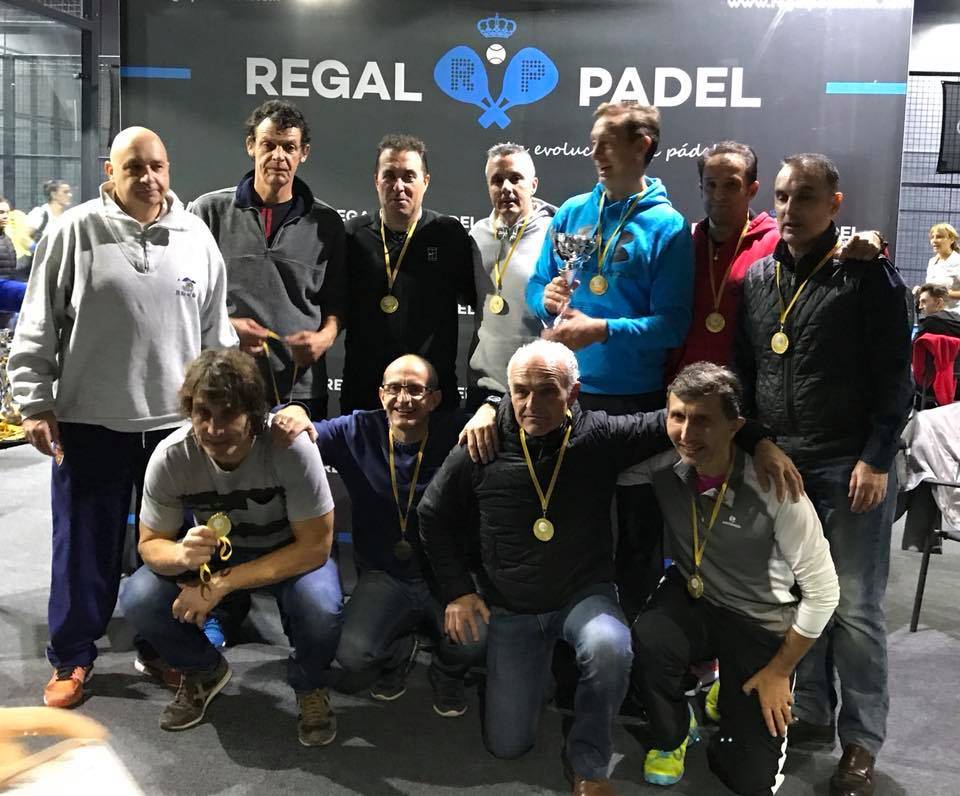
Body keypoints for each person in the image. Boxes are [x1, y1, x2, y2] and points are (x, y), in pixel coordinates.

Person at [418, 339, 798, 796]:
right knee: (507, 746)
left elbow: (694, 418)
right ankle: (533, 679)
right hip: (512, 606)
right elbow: (432, 514)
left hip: (583, 596)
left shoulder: (598, 435)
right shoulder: (481, 443)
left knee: (610, 647)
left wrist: (759, 442)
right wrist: (458, 590)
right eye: (520, 391)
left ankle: (590, 765)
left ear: (573, 393)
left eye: (547, 391)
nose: (531, 404)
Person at [7, 127, 238, 709]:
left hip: (177, 431)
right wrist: (34, 401)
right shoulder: (74, 231)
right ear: (110, 172)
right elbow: (37, 323)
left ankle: (163, 648)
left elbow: (217, 334)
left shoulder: (195, 237)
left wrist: (220, 408)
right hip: (91, 422)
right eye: (134, 167)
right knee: (83, 548)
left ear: (169, 168)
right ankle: (72, 656)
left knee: (173, 550)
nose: (148, 177)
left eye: (157, 165)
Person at [734, 153, 912, 796]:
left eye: (805, 196)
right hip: (782, 463)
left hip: (850, 462)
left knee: (857, 606)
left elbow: (897, 377)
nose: (790, 209)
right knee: (796, 594)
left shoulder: (868, 275)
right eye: (782, 196)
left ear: (835, 204)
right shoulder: (757, 278)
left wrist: (877, 457)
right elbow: (744, 375)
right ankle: (811, 709)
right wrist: (756, 441)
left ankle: (862, 740)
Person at [632, 362, 839, 792]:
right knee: (650, 636)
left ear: (736, 426)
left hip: (760, 620)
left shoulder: (775, 486)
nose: (686, 432)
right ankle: (673, 734)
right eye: (677, 416)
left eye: (703, 420)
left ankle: (729, 690)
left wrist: (780, 670)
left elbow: (824, 593)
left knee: (750, 780)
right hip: (695, 600)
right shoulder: (661, 467)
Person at [119, 349, 341, 745]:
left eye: (228, 415)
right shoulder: (172, 456)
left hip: (289, 553)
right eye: (202, 413)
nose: (213, 428)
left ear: (252, 413)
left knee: (319, 606)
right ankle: (204, 671)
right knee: (139, 595)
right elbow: (151, 545)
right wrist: (181, 555)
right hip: (218, 556)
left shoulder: (289, 447)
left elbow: (315, 548)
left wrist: (220, 585)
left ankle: (310, 684)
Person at [526, 101, 694, 618]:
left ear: (642, 146)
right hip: (572, 401)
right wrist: (545, 299)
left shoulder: (668, 227)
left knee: (638, 538)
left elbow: (671, 326)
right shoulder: (573, 212)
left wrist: (601, 330)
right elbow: (536, 286)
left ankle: (635, 642)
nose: (595, 153)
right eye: (592, 143)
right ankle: (573, 642)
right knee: (572, 528)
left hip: (636, 404)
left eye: (607, 143)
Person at [273, 354, 485, 718]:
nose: (404, 399)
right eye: (394, 388)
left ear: (434, 399)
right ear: (381, 394)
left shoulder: (459, 432)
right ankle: (399, 653)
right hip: (384, 576)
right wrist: (294, 411)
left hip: (445, 575)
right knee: (352, 653)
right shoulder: (356, 430)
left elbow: (516, 425)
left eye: (416, 390)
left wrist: (490, 409)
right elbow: (297, 431)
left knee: (476, 640)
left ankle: (446, 671)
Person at [670, 141, 883, 379]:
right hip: (684, 386)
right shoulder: (682, 245)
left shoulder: (780, 241)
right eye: (711, 185)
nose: (719, 195)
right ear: (701, 188)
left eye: (731, 185)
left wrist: (874, 239)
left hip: (748, 387)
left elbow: (833, 253)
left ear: (752, 190)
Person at [190, 100, 345, 419]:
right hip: (224, 382)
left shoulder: (327, 223)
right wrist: (229, 328)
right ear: (251, 145)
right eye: (268, 145)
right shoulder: (208, 212)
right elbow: (185, 298)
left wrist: (323, 338)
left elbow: (338, 301)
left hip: (300, 391)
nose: (278, 156)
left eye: (289, 147)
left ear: (304, 153)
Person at [341, 134, 475, 412]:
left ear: (425, 181)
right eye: (389, 175)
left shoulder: (449, 234)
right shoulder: (352, 235)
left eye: (409, 176)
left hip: (432, 394)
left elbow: (479, 301)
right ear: (376, 180)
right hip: (365, 391)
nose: (398, 186)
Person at [467, 143, 554, 408]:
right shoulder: (476, 235)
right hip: (484, 385)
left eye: (516, 178)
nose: (506, 187)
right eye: (497, 180)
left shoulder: (555, 233)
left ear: (533, 185)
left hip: (538, 385)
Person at [918, 222, 960, 310]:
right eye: (932, 237)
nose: (934, 240)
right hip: (932, 314)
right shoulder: (932, 262)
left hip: (953, 315)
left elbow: (940, 292)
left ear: (951, 239)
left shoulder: (957, 261)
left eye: (939, 237)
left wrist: (948, 294)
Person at [26, 179, 72, 243]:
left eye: (69, 192)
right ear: (53, 194)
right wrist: (34, 247)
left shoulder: (69, 217)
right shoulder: (39, 213)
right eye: (65, 192)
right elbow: (24, 237)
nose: (70, 195)